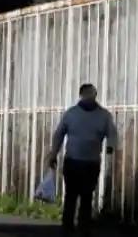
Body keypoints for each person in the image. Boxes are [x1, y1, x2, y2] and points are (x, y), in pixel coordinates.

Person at [47, 83, 118, 235]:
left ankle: (83, 227)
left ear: (95, 95)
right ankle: (68, 227)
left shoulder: (104, 116)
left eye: (91, 94)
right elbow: (59, 134)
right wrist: (53, 153)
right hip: (73, 160)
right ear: (81, 95)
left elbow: (112, 133)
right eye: (86, 94)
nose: (89, 98)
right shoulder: (71, 114)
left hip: (91, 162)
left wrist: (110, 148)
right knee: (71, 196)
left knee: (86, 196)